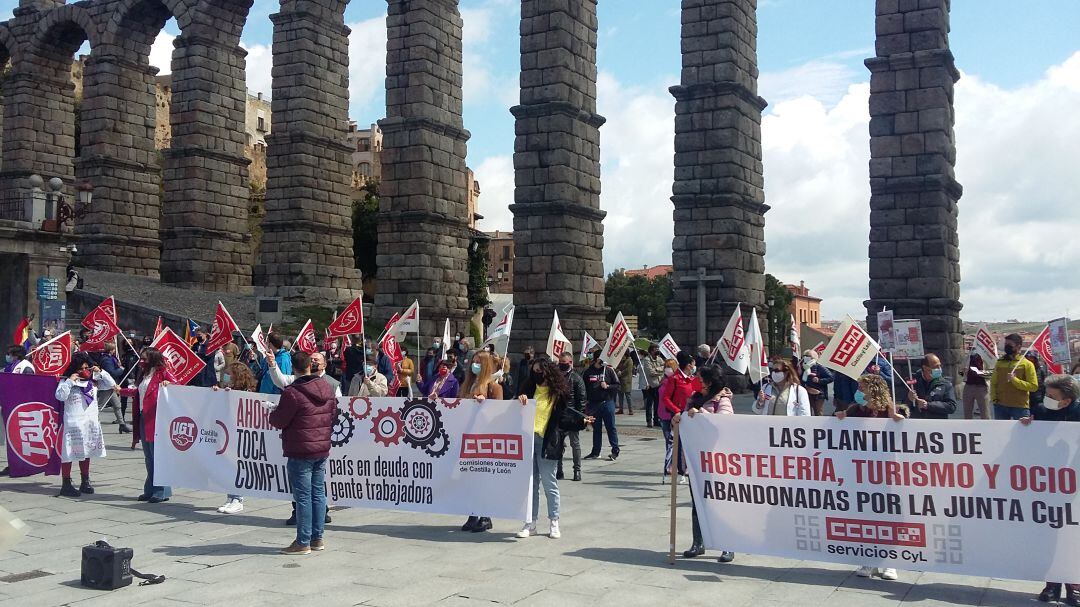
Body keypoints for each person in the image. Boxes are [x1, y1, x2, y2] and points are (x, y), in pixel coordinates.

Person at [836, 374, 907, 581]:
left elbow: (903, 429)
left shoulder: (889, 409)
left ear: (873, 389)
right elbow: (840, 420)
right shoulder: (856, 409)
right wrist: (840, 415)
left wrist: (898, 418)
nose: (858, 391)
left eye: (862, 387)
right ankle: (870, 559)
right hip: (863, 473)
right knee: (867, 515)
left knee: (888, 516)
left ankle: (890, 562)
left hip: (886, 473)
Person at [269, 352, 336, 555]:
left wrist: (272, 412)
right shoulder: (327, 387)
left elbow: (279, 420)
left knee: (304, 497)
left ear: (293, 369)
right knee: (318, 493)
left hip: (300, 449)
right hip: (321, 447)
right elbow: (333, 415)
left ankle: (303, 541)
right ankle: (317, 538)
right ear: (310, 366)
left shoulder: (293, 392)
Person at [676, 365, 735, 562]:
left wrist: (701, 414)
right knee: (698, 504)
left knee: (721, 505)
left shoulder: (722, 400)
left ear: (710, 382)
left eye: (701, 380)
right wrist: (680, 418)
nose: (697, 382)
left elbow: (723, 424)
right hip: (696, 461)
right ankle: (698, 542)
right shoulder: (694, 398)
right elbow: (687, 420)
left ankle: (728, 545)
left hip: (717, 462)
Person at [515, 357, 569, 539]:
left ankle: (554, 521)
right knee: (531, 484)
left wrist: (580, 421)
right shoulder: (529, 388)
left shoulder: (558, 393)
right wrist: (520, 398)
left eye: (540, 371)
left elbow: (564, 418)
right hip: (529, 440)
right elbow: (515, 408)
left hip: (547, 442)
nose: (537, 374)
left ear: (548, 372)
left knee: (549, 482)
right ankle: (531, 523)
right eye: (534, 371)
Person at [458, 350, 505, 533]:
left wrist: (485, 404)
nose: (474, 365)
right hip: (468, 436)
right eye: (473, 361)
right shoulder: (468, 384)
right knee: (469, 479)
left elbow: (499, 413)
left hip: (485, 439)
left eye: (478, 362)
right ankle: (473, 514)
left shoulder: (494, 387)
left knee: (483, 479)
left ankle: (486, 516)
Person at [54, 354, 113, 497]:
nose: (84, 371)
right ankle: (66, 483)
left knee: (87, 452)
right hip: (74, 423)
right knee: (69, 453)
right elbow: (60, 396)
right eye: (81, 368)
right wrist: (69, 382)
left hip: (90, 422)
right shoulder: (66, 381)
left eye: (87, 368)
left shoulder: (93, 381)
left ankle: (85, 481)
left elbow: (111, 384)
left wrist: (100, 372)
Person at [214, 362, 259, 514]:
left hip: (240, 435)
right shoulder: (227, 389)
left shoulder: (247, 392)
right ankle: (230, 496)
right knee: (227, 466)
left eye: (229, 374)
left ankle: (238, 498)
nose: (226, 377)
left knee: (236, 467)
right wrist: (217, 393)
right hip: (227, 433)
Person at [136, 347, 175, 503]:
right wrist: (121, 390)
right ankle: (150, 488)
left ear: (152, 359)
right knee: (148, 456)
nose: (141, 361)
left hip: (156, 417)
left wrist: (169, 383)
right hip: (143, 416)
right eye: (141, 358)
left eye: (144, 358)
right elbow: (138, 392)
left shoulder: (162, 372)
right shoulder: (144, 373)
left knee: (156, 456)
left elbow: (177, 385)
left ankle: (161, 490)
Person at [658, 352, 699, 483]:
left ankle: (689, 469)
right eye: (693, 364)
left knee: (692, 443)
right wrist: (676, 411)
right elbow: (666, 398)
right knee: (678, 444)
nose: (694, 367)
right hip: (679, 416)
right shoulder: (674, 379)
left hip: (692, 415)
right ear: (688, 365)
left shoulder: (693, 379)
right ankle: (679, 470)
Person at [989, 333, 1038, 420]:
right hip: (1000, 406)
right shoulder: (1000, 362)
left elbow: (1033, 386)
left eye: (1010, 344)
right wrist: (994, 399)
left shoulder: (1027, 364)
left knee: (1022, 429)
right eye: (1006, 344)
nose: (1007, 346)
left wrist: (1014, 380)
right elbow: (994, 382)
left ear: (1018, 346)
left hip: (1020, 407)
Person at [582, 351, 620, 461]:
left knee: (611, 427)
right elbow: (583, 387)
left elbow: (617, 385)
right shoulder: (588, 372)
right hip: (594, 404)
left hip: (607, 403)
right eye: (601, 358)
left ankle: (615, 450)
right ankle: (596, 452)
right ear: (596, 359)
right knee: (596, 429)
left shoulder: (609, 370)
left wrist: (608, 386)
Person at [556, 351, 587, 482]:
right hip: (559, 415)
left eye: (564, 362)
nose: (561, 365)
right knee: (558, 444)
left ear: (570, 363)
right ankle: (559, 470)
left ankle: (577, 470)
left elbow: (582, 399)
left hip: (573, 415)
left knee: (575, 444)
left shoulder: (576, 378)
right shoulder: (556, 377)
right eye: (560, 362)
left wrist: (580, 417)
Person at [96, 341, 132, 433]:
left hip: (111, 386)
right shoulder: (107, 360)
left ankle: (122, 425)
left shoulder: (108, 358)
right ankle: (93, 422)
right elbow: (111, 373)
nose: (115, 350)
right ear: (111, 350)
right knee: (100, 406)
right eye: (114, 349)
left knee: (117, 405)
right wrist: (121, 370)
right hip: (107, 386)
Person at [908, 353, 957, 419]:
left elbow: (952, 406)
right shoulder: (912, 381)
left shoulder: (945, 383)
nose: (939, 369)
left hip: (937, 422)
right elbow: (903, 406)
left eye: (940, 366)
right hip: (917, 422)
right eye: (936, 367)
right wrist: (909, 399)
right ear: (925, 368)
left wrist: (928, 405)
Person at [800, 349, 834, 416]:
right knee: (806, 410)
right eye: (805, 356)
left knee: (818, 411)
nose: (806, 358)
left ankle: (819, 423)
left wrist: (819, 380)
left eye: (808, 356)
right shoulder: (803, 367)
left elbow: (831, 377)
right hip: (806, 392)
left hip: (818, 394)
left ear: (813, 358)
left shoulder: (819, 367)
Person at [642, 344, 664, 427]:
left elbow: (664, 367)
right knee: (649, 404)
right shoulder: (647, 359)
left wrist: (657, 369)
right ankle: (649, 420)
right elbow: (650, 372)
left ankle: (656, 420)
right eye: (656, 349)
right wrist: (660, 371)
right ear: (651, 351)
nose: (657, 350)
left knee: (657, 404)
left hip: (659, 384)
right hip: (651, 385)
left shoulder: (659, 359)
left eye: (658, 348)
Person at [963, 352, 990, 420]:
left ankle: (986, 426)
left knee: (985, 414)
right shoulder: (968, 357)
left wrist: (981, 373)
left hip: (982, 387)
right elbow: (960, 371)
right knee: (967, 414)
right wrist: (963, 371)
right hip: (969, 386)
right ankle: (967, 426)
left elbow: (991, 372)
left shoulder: (987, 356)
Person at [1026, 351, 1048, 419]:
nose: (1030, 360)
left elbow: (1044, 382)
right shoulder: (1024, 368)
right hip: (1026, 399)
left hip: (1038, 398)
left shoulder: (1041, 369)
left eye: (1031, 358)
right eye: (1027, 358)